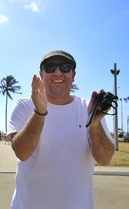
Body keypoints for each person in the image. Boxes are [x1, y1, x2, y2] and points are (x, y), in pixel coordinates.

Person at [7, 50, 115, 209]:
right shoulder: (25, 106)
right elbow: (22, 153)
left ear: (73, 74)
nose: (58, 73)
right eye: (50, 67)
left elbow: (105, 159)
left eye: (65, 67)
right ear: (41, 74)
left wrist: (94, 123)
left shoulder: (88, 109)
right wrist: (40, 112)